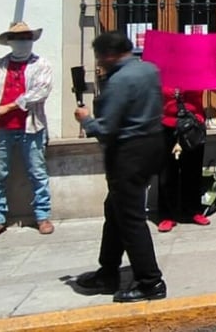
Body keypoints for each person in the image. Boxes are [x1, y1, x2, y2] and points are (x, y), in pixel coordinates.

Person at [74, 31, 166, 303]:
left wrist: (86, 119)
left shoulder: (119, 81)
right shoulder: (149, 70)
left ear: (108, 55)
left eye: (100, 57)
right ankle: (108, 270)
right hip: (152, 144)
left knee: (130, 218)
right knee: (115, 209)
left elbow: (107, 129)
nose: (100, 63)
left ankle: (150, 281)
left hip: (128, 152)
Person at [0, 21, 55, 239]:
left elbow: (40, 92)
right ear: (10, 42)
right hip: (1, 128)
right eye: (19, 39)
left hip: (31, 126)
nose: (23, 42)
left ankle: (42, 216)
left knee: (37, 172)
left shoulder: (42, 64)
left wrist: (10, 106)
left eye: (27, 38)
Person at [155, 87, 210, 232]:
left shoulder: (196, 71)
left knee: (193, 170)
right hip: (168, 124)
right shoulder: (162, 72)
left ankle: (192, 210)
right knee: (167, 172)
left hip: (192, 124)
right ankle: (167, 215)